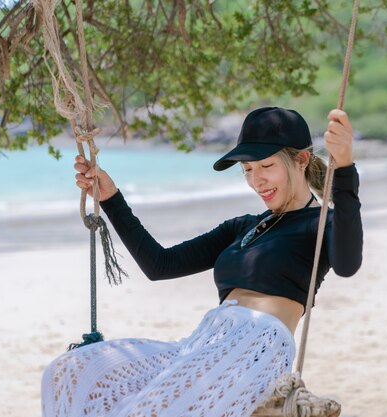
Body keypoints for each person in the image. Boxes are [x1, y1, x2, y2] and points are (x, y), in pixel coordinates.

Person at [40, 107, 363, 417]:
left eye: (266, 166)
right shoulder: (243, 226)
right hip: (204, 342)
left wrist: (345, 167)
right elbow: (160, 265)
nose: (257, 180)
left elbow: (348, 265)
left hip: (257, 345)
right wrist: (110, 198)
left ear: (301, 160)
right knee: (69, 371)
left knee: (149, 410)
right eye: (248, 170)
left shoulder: (321, 224)